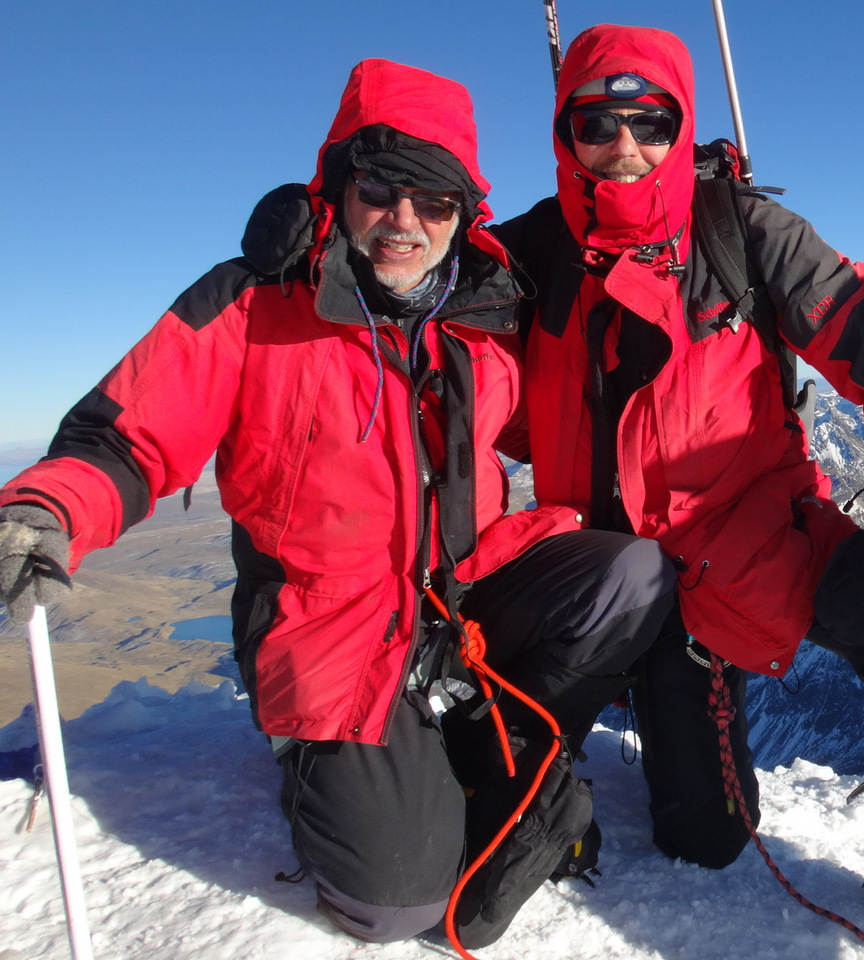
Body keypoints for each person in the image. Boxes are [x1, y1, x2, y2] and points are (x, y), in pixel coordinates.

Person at [0, 58, 676, 949]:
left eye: (434, 202)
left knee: (630, 575)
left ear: (462, 216)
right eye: (382, 189)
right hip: (329, 625)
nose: (405, 221)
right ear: (339, 187)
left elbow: (562, 408)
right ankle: (320, 761)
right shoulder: (255, 303)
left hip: (455, 595)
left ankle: (486, 736)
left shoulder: (482, 315)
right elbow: (126, 439)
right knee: (394, 905)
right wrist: (50, 508)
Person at [493, 23, 864, 960]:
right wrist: (316, 248)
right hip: (598, 573)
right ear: (563, 131)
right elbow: (407, 309)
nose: (626, 147)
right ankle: (540, 793)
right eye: (598, 123)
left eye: (651, 121)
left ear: (681, 123)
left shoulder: (739, 232)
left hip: (753, 543)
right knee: (665, 826)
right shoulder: (527, 257)